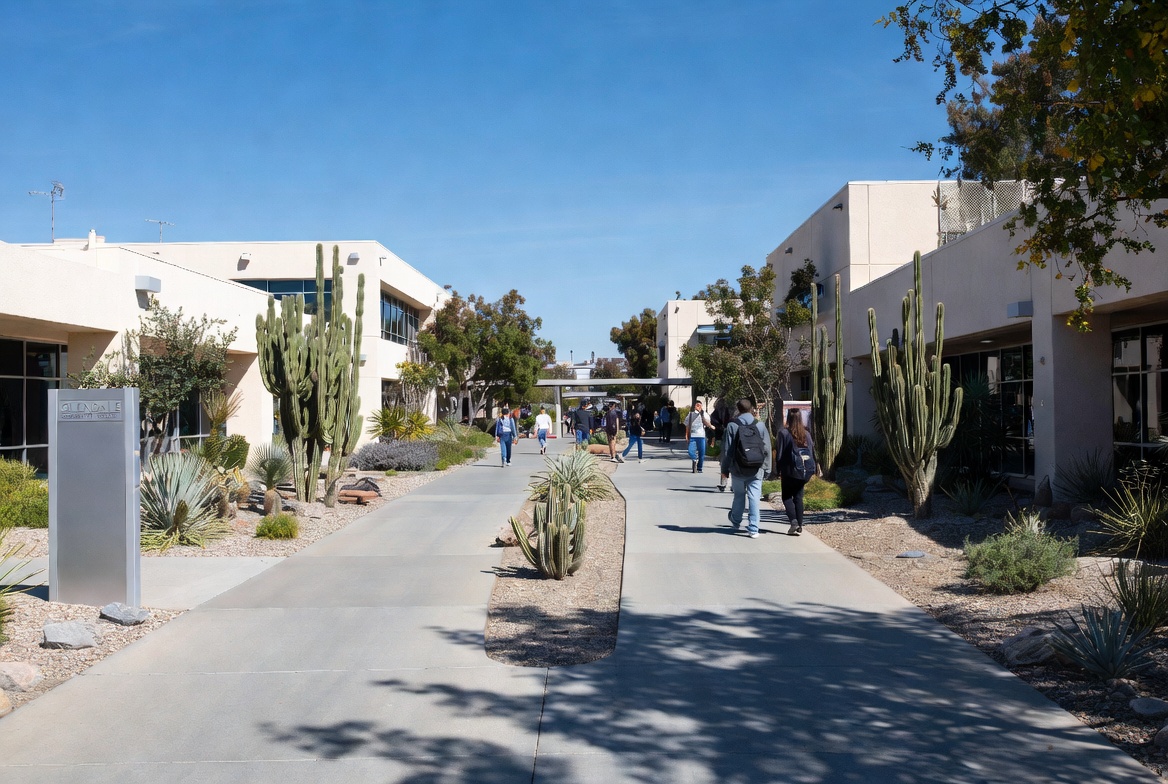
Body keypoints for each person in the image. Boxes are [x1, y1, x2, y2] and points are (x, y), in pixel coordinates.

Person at [720, 398, 772, 539]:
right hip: (756, 467)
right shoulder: (760, 425)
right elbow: (767, 447)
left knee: (739, 495)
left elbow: (727, 450)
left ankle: (736, 521)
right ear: (752, 409)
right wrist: (767, 468)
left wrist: (724, 469)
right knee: (754, 497)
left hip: (737, 468)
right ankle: (753, 528)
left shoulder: (732, 425)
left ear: (738, 409)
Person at [775, 409, 816, 536]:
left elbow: (779, 454)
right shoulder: (807, 434)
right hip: (804, 471)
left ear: (788, 417)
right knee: (798, 497)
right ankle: (800, 525)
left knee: (786, 497)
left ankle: (793, 522)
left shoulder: (783, 433)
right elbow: (812, 452)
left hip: (789, 471)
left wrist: (777, 470)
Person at [684, 400, 713, 473]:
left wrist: (701, 413)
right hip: (693, 436)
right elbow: (687, 426)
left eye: (700, 405)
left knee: (702, 453)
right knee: (690, 451)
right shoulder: (690, 415)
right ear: (694, 406)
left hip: (701, 436)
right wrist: (687, 435)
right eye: (697, 405)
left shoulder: (705, 414)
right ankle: (694, 459)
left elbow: (707, 424)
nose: (698, 406)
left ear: (702, 406)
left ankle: (699, 468)